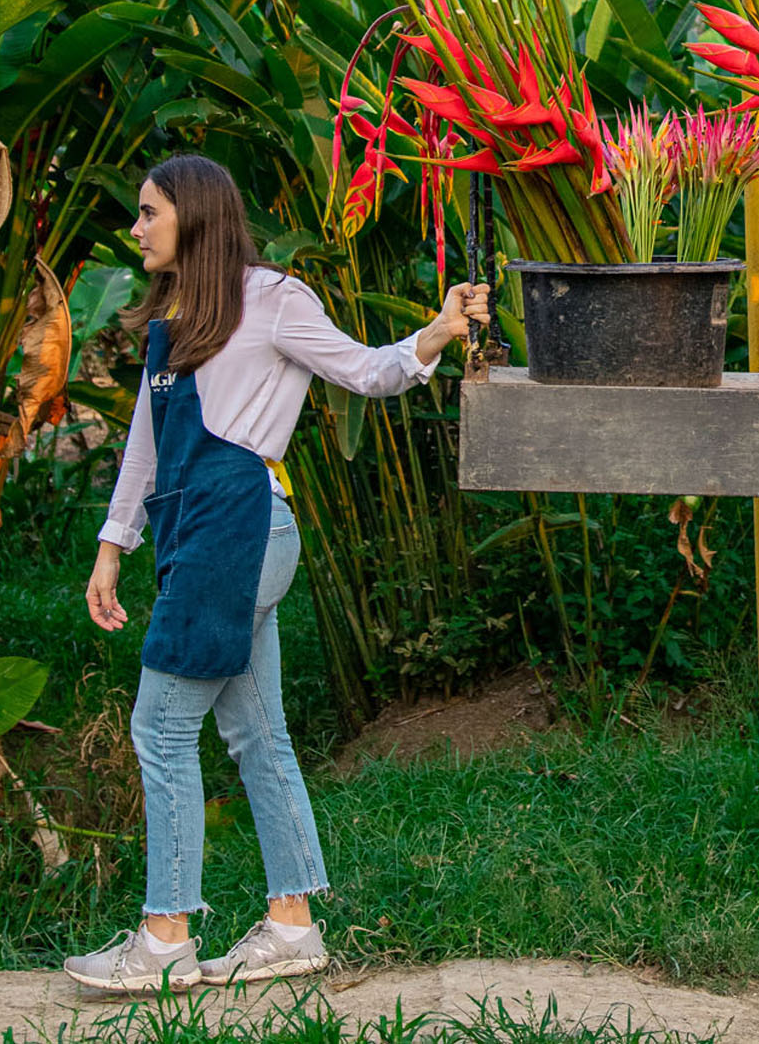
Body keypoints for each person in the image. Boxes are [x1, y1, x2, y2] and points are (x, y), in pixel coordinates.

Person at [63, 154, 491, 993]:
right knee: (257, 731)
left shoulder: (273, 300)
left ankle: (164, 941)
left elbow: (364, 369)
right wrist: (115, 543)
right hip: (196, 534)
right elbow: (148, 447)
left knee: (160, 728)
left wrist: (436, 334)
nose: (138, 227)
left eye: (150, 213)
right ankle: (293, 926)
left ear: (193, 214)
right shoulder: (169, 318)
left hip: (243, 528)